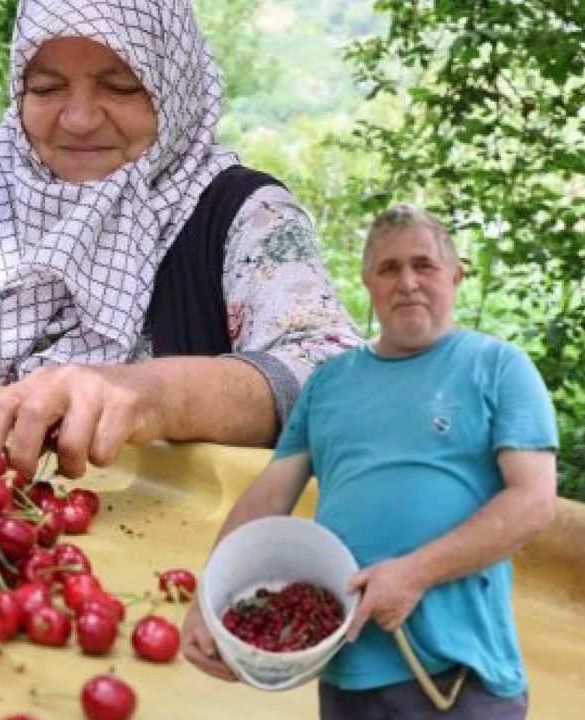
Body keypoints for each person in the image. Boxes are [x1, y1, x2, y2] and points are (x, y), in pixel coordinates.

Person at [0, 0, 359, 478]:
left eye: (122, 87)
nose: (77, 119)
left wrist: (151, 394)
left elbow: (331, 372)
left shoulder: (239, 214)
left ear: (174, 87)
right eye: (48, 87)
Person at [181, 205, 559, 719]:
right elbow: (268, 497)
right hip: (347, 672)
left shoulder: (498, 367)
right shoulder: (329, 383)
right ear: (368, 284)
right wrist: (209, 599)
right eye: (388, 268)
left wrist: (413, 574)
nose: (406, 282)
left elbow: (533, 502)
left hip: (460, 676)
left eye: (423, 265)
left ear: (455, 275)